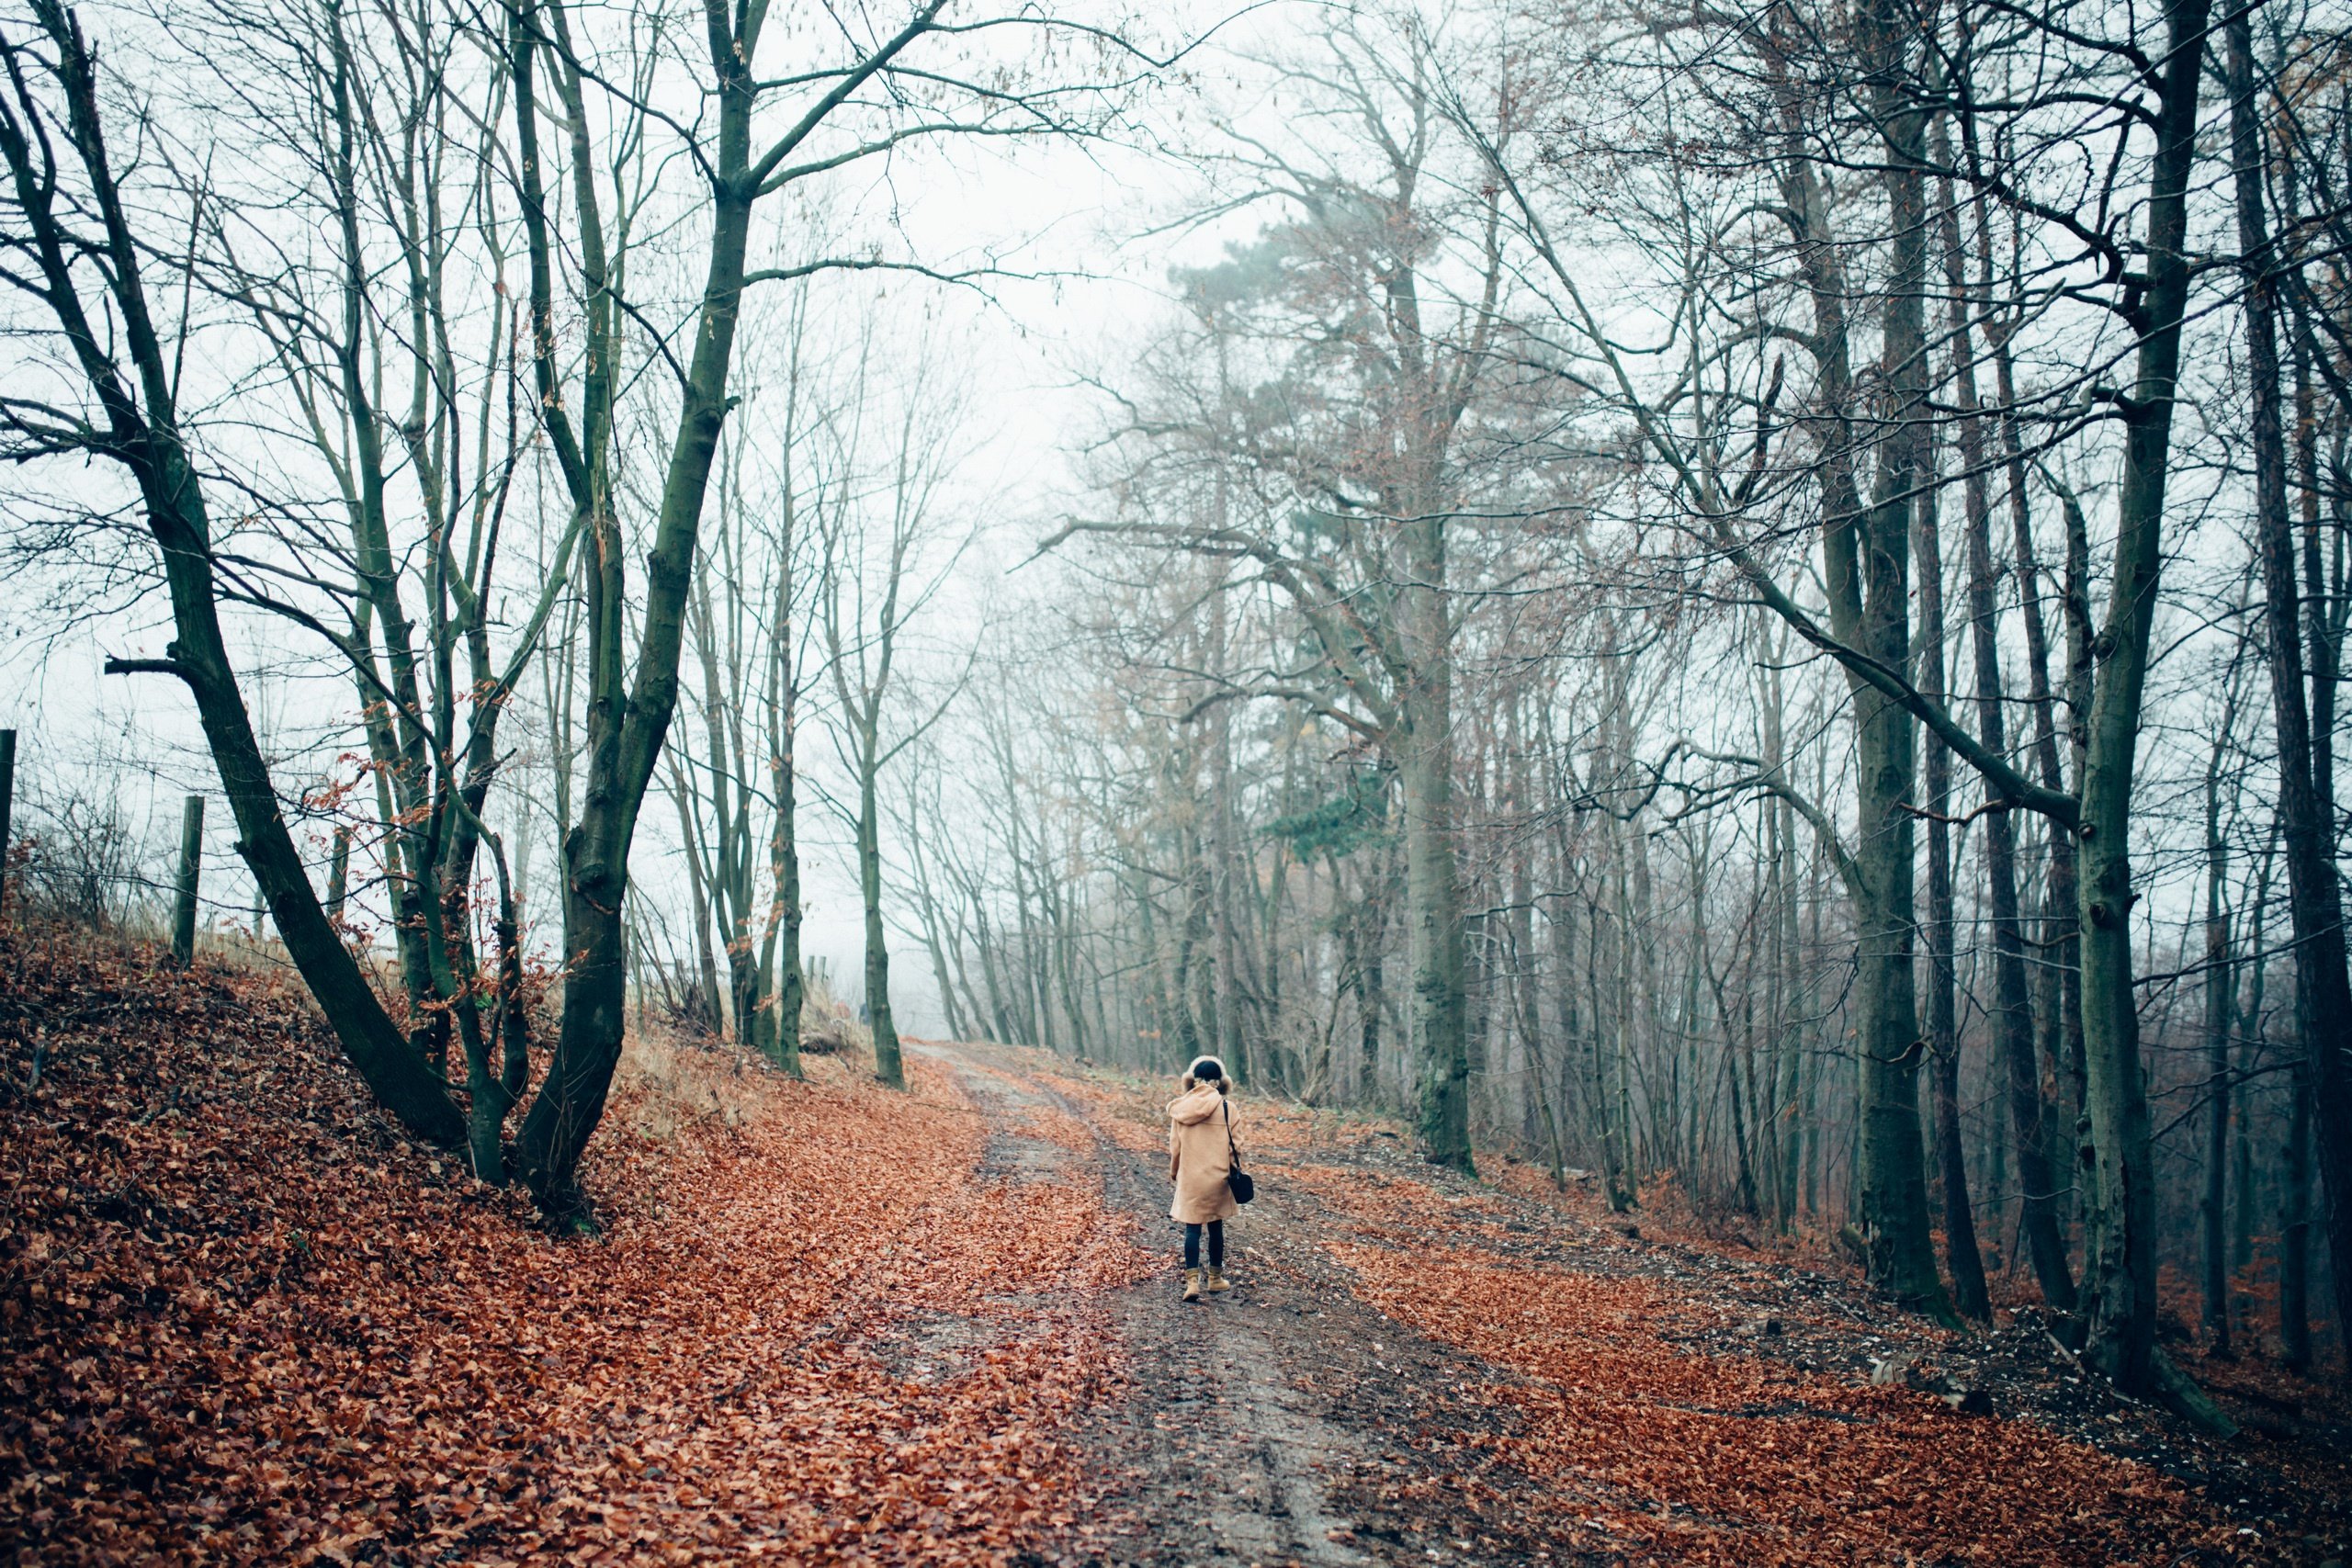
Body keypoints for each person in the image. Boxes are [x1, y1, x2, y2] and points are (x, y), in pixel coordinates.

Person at [1168, 1055, 1240, 1303]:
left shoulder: (1180, 1108)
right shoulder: (1228, 1108)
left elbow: (1175, 1147)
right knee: (1216, 1226)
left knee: (1192, 1228)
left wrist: (1175, 1171)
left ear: (1193, 1081)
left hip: (1191, 1177)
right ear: (1220, 1082)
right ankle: (1215, 1279)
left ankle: (1192, 1283)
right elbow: (1235, 1149)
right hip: (1218, 1177)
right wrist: (1233, 1173)